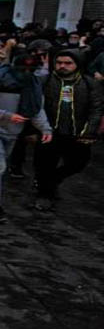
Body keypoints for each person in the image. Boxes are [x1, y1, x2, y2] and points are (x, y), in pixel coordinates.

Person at [0, 55, 53, 223]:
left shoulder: (33, 85)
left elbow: (36, 109)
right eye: (23, 69)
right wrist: (6, 115)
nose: (26, 73)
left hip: (12, 132)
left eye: (30, 70)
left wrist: (45, 128)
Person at [33, 51, 103, 210]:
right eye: (59, 63)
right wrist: (36, 129)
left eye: (68, 63)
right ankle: (44, 195)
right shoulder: (45, 81)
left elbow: (96, 109)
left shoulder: (89, 83)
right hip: (49, 132)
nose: (62, 66)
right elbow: (35, 106)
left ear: (77, 64)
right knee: (44, 164)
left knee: (78, 163)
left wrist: (89, 131)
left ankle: (52, 181)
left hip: (77, 132)